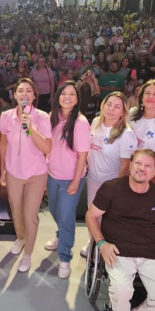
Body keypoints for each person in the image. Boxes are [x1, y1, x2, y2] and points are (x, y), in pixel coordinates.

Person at [85, 149, 155, 311]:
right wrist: (101, 243)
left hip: (151, 254)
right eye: (138, 163)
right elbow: (91, 216)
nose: (141, 169)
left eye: (147, 166)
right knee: (120, 290)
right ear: (130, 165)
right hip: (119, 252)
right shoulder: (111, 189)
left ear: (154, 172)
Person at [0, 79, 53, 273]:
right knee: (16, 210)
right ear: (14, 95)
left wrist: (30, 127)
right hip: (14, 172)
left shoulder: (41, 117)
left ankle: (28, 253)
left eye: (28, 91)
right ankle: (21, 238)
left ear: (33, 95)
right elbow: (3, 144)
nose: (24, 94)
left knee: (30, 216)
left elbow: (47, 147)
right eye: (20, 91)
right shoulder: (5, 116)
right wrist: (2, 170)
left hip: (36, 174)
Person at [79, 92, 137, 258]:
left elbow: (126, 166)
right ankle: (93, 242)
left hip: (111, 184)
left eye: (117, 106)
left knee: (108, 218)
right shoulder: (96, 122)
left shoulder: (126, 134)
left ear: (123, 112)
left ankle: (106, 246)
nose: (111, 109)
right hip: (93, 179)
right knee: (92, 215)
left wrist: (115, 189)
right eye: (109, 104)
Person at [43, 81, 91, 279]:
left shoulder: (80, 123)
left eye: (72, 94)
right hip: (52, 175)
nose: (67, 97)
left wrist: (75, 181)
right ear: (58, 96)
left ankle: (65, 258)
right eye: (64, 93)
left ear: (77, 99)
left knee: (66, 217)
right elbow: (42, 143)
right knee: (55, 211)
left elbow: (82, 156)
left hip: (70, 179)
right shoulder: (52, 117)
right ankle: (60, 234)